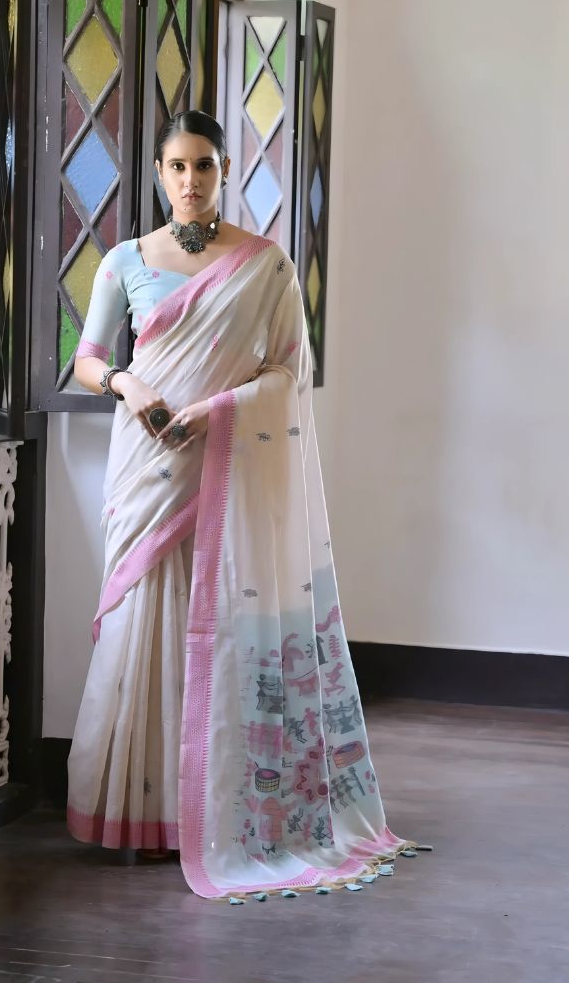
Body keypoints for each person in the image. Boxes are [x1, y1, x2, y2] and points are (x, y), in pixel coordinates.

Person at [66, 110, 412, 899]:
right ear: (157, 174)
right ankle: (139, 811)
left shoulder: (265, 266)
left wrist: (213, 411)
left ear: (224, 173)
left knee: (216, 618)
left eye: (205, 167)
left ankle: (220, 808)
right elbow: (87, 358)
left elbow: (291, 374)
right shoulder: (123, 261)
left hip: (219, 458)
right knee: (141, 620)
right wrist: (129, 383)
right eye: (177, 167)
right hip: (145, 462)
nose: (191, 182)